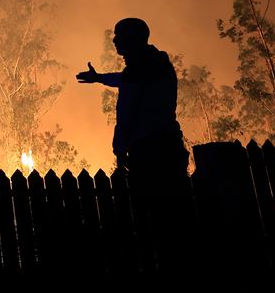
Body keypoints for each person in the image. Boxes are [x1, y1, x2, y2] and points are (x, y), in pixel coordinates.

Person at [77, 17, 191, 278]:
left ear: (135, 38)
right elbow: (126, 80)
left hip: (151, 154)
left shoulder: (142, 70)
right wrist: (100, 78)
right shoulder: (154, 65)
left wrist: (120, 149)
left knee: (155, 225)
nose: (115, 40)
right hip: (165, 148)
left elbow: (128, 111)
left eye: (119, 35)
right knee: (173, 223)